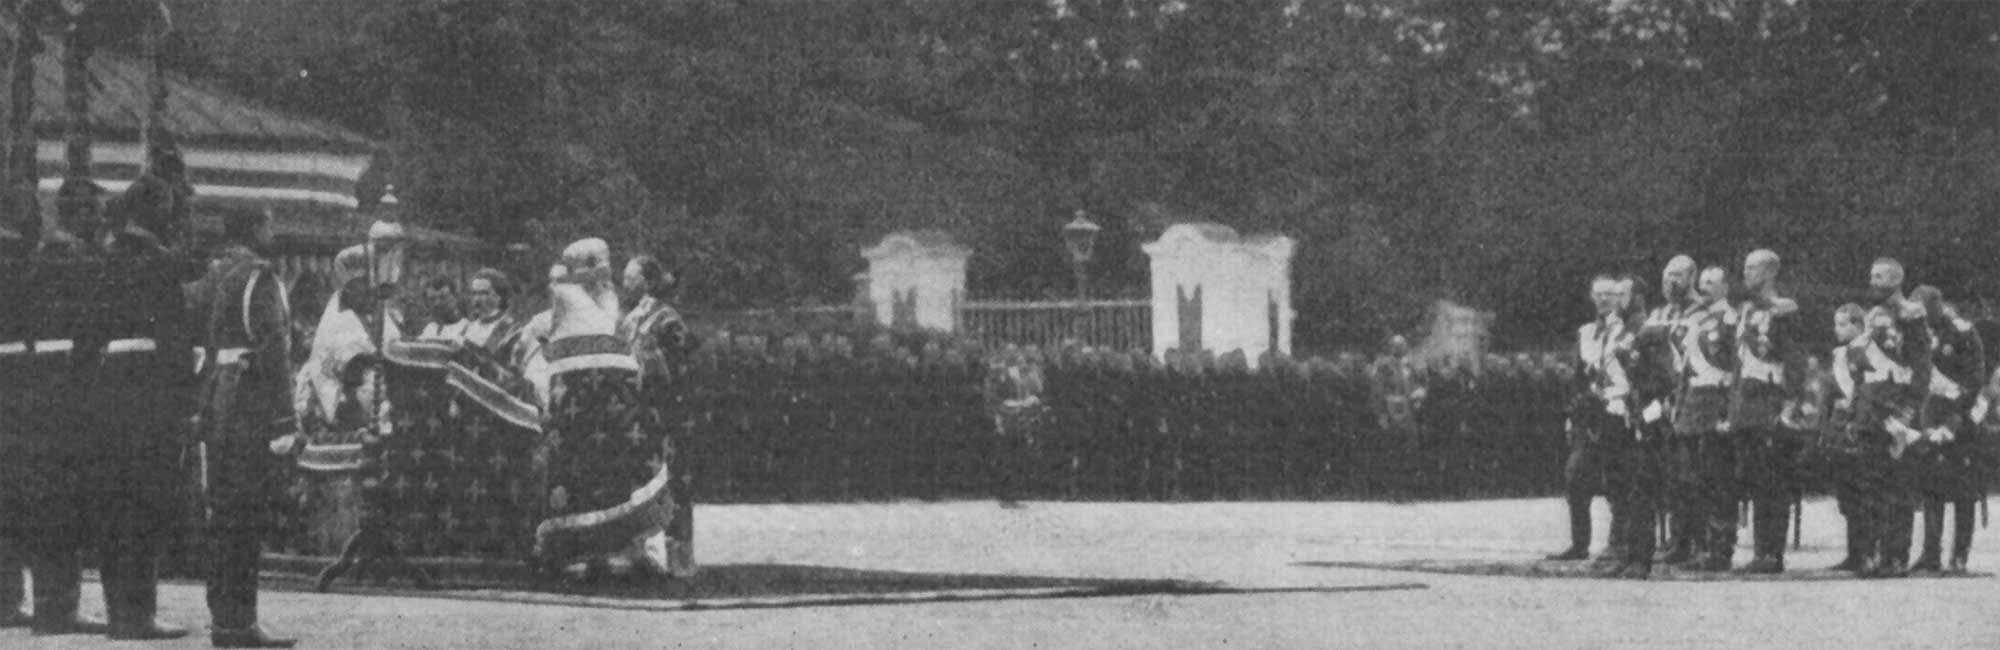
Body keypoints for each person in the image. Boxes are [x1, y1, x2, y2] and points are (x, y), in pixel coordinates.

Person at [531, 238, 692, 578]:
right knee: (597, 481)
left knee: (644, 478)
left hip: (642, 410)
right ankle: (595, 550)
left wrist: (642, 363)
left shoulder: (649, 314)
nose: (618, 279)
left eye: (629, 275)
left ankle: (659, 553)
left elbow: (672, 362)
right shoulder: (582, 302)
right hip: (594, 411)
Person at [187, 209, 299, 648]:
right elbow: (274, 349)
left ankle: (225, 619)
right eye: (268, 224)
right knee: (245, 515)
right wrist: (285, 419)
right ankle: (240, 623)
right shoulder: (259, 276)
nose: (273, 231)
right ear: (253, 230)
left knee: (222, 514)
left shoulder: (213, 275)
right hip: (249, 400)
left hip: (216, 397)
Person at [1727, 249, 1806, 574]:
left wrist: (1791, 402)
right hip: (1745, 403)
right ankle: (1761, 550)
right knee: (1755, 479)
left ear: (1770, 272)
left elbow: (1794, 358)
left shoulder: (1784, 310)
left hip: (1769, 400)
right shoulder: (1747, 310)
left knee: (1772, 481)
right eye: (1745, 267)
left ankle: (1772, 553)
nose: (1746, 273)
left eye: (1753, 268)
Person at [1546, 275, 1624, 562]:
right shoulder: (1586, 332)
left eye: (1609, 294)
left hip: (1616, 411)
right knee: (1576, 477)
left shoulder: (1624, 330)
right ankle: (1580, 544)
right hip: (1588, 416)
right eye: (1599, 294)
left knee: (1617, 480)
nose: (1604, 299)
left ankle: (1619, 543)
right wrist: (1574, 412)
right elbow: (1579, 376)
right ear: (1592, 297)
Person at [1910, 285, 1984, 573]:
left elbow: (1974, 380)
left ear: (1936, 306)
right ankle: (1931, 553)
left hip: (1959, 419)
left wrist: (1954, 418)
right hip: (1929, 418)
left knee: (1964, 492)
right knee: (1931, 489)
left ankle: (1959, 556)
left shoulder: (1962, 332)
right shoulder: (1917, 334)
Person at [1673, 265, 1738, 571]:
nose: (1704, 288)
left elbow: (1734, 366)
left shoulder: (1731, 319)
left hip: (1716, 403)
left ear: (1726, 287)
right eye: (1702, 283)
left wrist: (1728, 410)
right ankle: (1692, 545)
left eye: (1711, 283)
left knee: (1717, 480)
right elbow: (1687, 368)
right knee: (1689, 479)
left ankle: (1719, 549)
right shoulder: (1697, 320)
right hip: (1693, 405)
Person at [1639, 255, 1701, 564]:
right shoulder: (1659, 313)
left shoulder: (1703, 313)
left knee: (1688, 475)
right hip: (1658, 400)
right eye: (1666, 276)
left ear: (1692, 277)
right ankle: (1671, 540)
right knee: (1664, 475)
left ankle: (1691, 541)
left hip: (1690, 399)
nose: (1670, 282)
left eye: (1677, 275)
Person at [1823, 304, 1873, 572]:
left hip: (1858, 425)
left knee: (1862, 492)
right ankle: (1854, 553)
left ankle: (1867, 553)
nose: (1837, 329)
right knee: (1847, 496)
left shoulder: (1867, 351)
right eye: (1836, 324)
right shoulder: (1839, 355)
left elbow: (1866, 390)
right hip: (1839, 428)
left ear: (1859, 325)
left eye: (1843, 324)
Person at [413, 275, 466, 341]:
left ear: (455, 298)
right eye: (432, 299)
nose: (437, 303)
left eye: (443, 297)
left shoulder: (467, 328)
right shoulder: (430, 329)